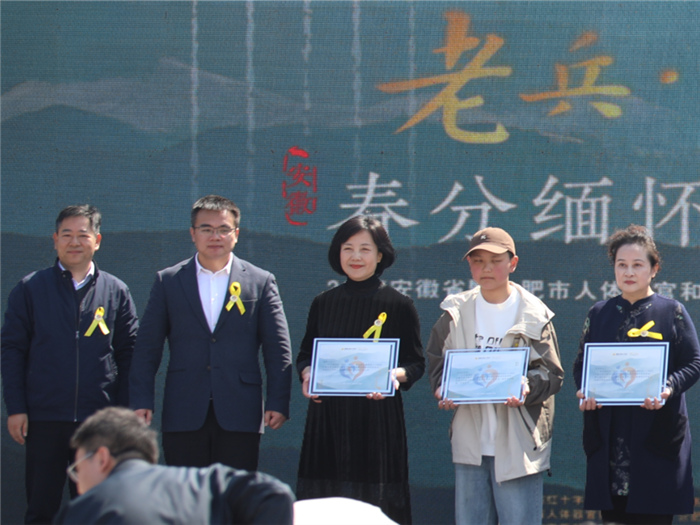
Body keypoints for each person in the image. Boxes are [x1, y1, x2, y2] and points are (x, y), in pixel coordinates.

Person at [129, 194, 292, 471]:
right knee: (185, 491)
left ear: (236, 234)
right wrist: (141, 399)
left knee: (235, 493)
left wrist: (278, 401)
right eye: (206, 229)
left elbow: (277, 347)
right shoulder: (169, 281)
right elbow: (147, 346)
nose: (215, 236)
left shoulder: (260, 281)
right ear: (193, 234)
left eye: (223, 229)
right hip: (184, 408)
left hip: (240, 410)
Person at [1, 204, 138, 524]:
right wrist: (16, 407)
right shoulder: (30, 288)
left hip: (97, 421)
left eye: (83, 235)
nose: (74, 242)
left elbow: (130, 353)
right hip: (44, 418)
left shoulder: (116, 291)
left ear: (97, 240)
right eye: (66, 235)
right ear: (55, 240)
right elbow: (12, 350)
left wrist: (122, 415)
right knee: (41, 509)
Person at [426, 227, 563, 525]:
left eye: (495, 260)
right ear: (469, 265)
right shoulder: (454, 313)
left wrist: (527, 386)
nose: (486, 268)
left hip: (519, 446)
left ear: (513, 263)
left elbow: (552, 374)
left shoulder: (534, 314)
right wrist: (443, 387)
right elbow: (437, 360)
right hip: (470, 444)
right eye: (478, 261)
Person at [296, 215, 425, 525]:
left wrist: (394, 376)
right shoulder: (323, 303)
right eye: (348, 248)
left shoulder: (399, 304)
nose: (356, 256)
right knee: (324, 505)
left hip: (376, 421)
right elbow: (305, 355)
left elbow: (416, 363)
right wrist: (308, 374)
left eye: (365, 249)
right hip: (328, 420)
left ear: (380, 255)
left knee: (375, 505)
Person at [573, 225, 700, 524]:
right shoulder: (599, 313)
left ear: (653, 269)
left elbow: (694, 362)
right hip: (610, 435)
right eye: (622, 265)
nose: (628, 272)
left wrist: (668, 387)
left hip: (656, 434)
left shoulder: (672, 311)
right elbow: (582, 364)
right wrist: (586, 390)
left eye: (637, 265)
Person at [53, 407, 295, 525]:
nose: (79, 486)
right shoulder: (209, 484)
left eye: (78, 469)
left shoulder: (87, 509)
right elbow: (276, 496)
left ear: (102, 458)